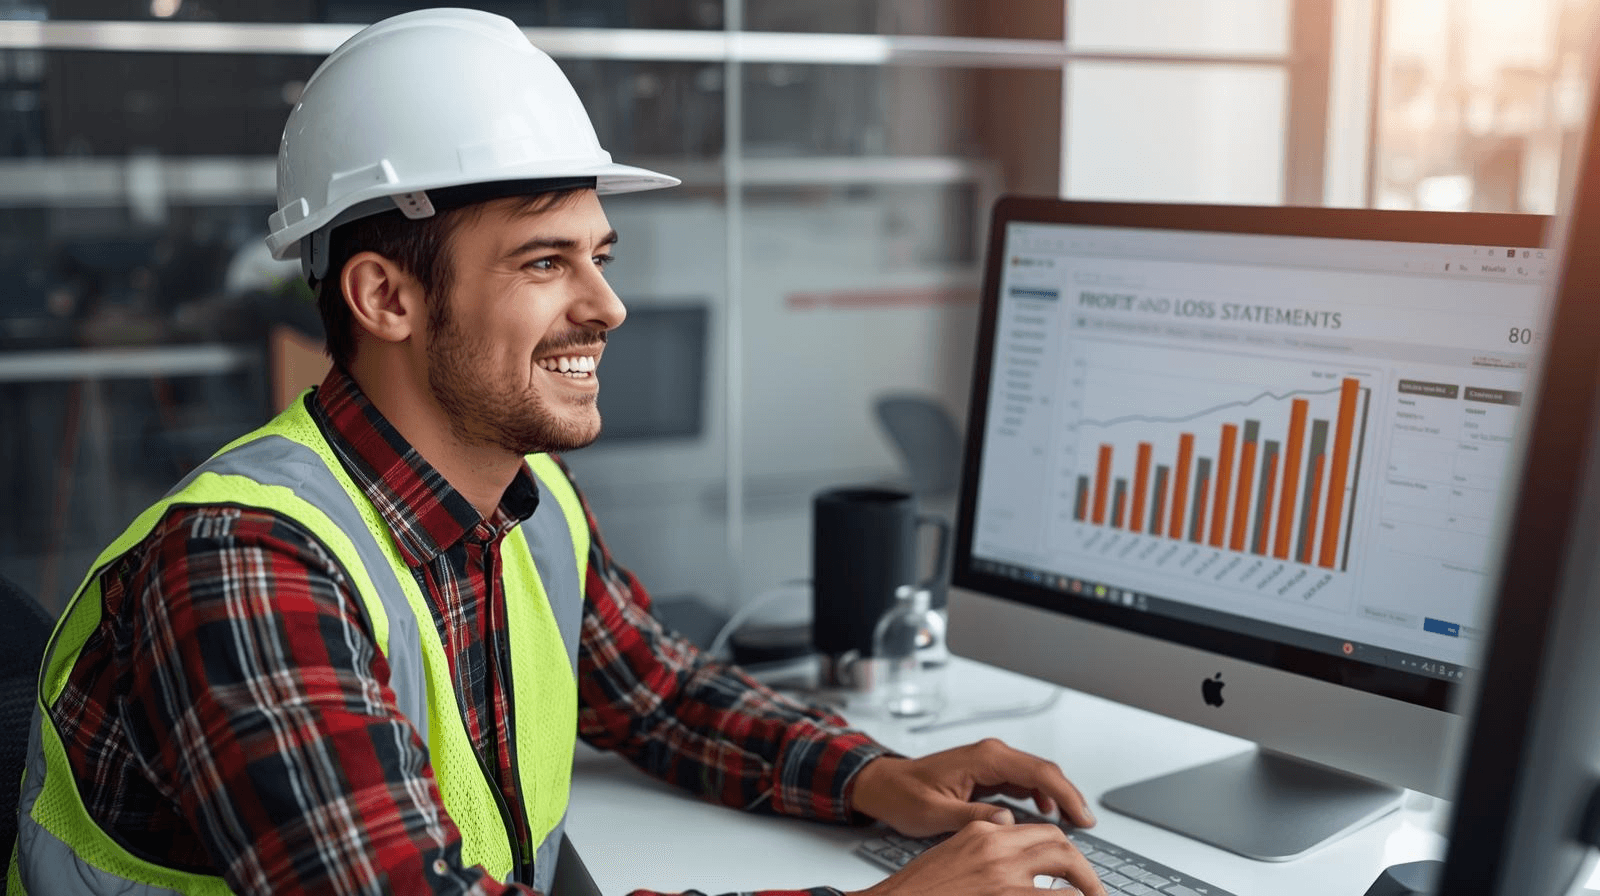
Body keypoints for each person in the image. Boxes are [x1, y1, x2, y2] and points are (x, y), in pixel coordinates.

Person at [7, 10, 1105, 896]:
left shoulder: (522, 496)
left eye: (600, 254)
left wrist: (875, 773)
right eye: (545, 262)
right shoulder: (245, 564)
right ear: (384, 295)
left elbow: (657, 694)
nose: (609, 305)